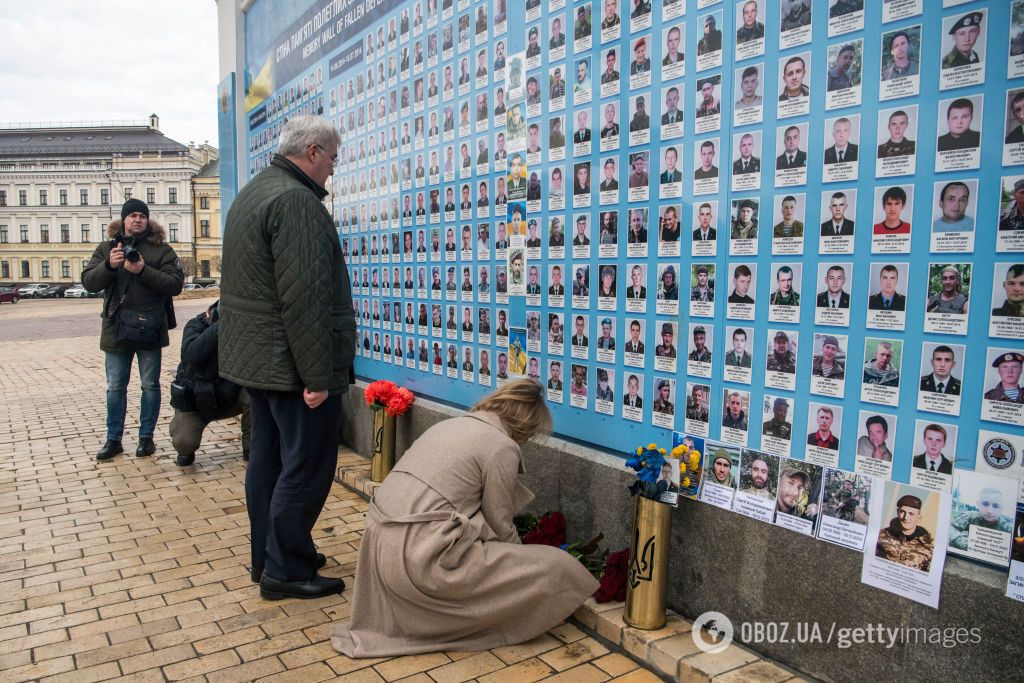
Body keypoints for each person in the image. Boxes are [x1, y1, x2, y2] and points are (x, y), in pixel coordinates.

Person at [331, 381, 598, 657]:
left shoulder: (450, 425)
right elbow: (500, 522)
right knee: (557, 567)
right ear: (525, 425)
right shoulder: (501, 446)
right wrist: (520, 565)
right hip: (418, 560)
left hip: (379, 549)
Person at [220, 117, 355, 600]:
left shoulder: (258, 190)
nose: (333, 171)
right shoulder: (297, 202)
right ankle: (287, 570)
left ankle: (272, 554)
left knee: (270, 460)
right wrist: (317, 377)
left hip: (260, 362)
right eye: (333, 159)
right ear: (313, 151)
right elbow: (305, 299)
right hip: (293, 366)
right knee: (306, 464)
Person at [83, 198, 185, 461]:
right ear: (124, 220)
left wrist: (142, 269)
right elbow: (89, 282)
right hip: (116, 329)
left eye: (142, 215)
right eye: (132, 215)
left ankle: (146, 439)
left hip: (149, 329)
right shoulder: (107, 248)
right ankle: (113, 439)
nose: (137, 219)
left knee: (150, 385)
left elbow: (174, 284)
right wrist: (108, 265)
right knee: (115, 386)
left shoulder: (161, 250)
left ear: (147, 220)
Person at [169, 301, 251, 467]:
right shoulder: (195, 325)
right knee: (184, 443)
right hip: (197, 399)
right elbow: (192, 353)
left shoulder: (242, 328)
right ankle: (182, 435)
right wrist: (219, 326)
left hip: (229, 395)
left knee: (255, 395)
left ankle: (251, 448)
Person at [875, 495, 934, 572]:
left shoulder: (927, 547)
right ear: (897, 512)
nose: (906, 518)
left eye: (911, 514)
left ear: (919, 518)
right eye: (902, 512)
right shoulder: (881, 536)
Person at [949, 488, 1013, 550]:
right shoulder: (970, 516)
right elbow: (950, 528)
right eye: (985, 504)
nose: (990, 511)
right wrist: (961, 541)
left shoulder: (1009, 526)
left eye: (996, 506)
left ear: (1002, 508)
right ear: (978, 504)